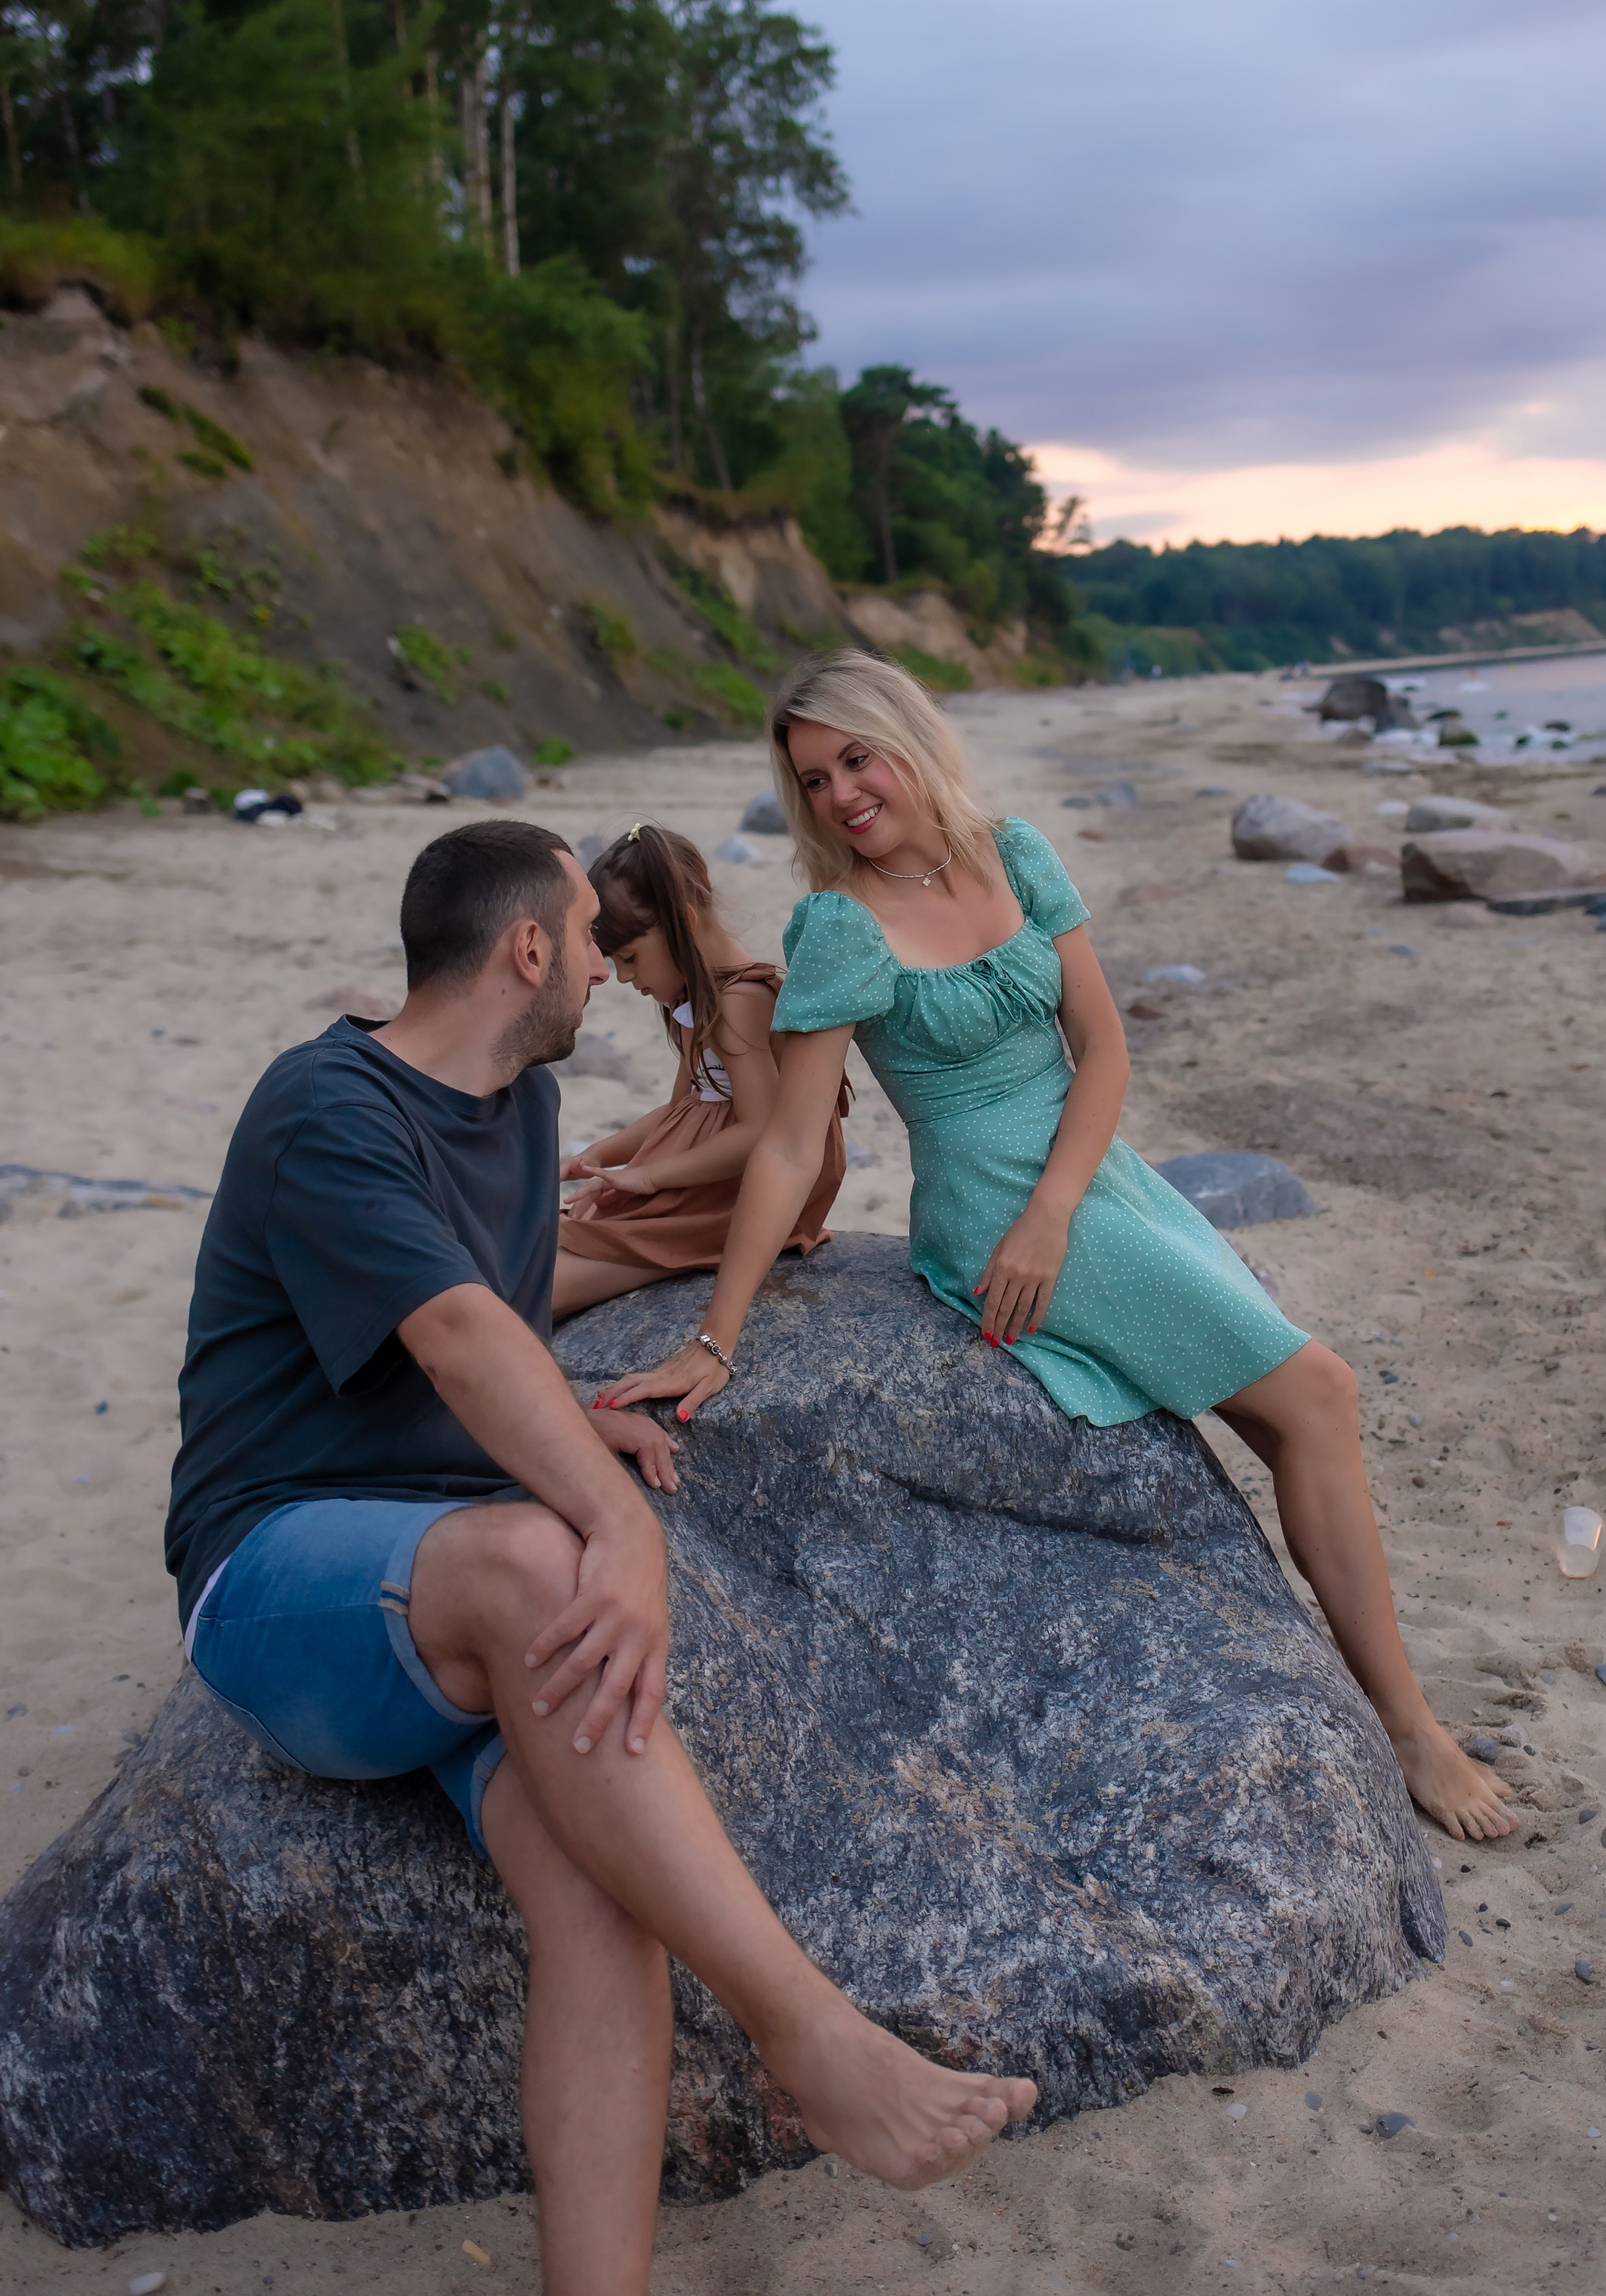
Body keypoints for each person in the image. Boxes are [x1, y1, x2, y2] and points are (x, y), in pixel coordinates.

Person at [164, 817, 1035, 2296]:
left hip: (445, 1590)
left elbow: (478, 1334)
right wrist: (611, 1518)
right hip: (280, 1581)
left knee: (602, 1901)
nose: (598, 969)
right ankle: (804, 2031)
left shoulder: (515, 1111)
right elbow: (448, 1333)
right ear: (522, 951)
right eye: (582, 939)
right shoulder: (329, 1104)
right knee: (540, 1559)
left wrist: (574, 1414)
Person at [597, 656, 1518, 1848]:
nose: (838, 796)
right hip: (984, 1200)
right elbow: (784, 1147)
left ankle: (1387, 1706)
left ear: (907, 739)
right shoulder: (838, 925)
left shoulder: (1015, 852)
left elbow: (1105, 1051)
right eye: (812, 779)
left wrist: (1061, 1207)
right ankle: (1408, 1728)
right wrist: (717, 1338)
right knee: (1319, 1391)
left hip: (1090, 1185)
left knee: (1297, 1408)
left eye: (855, 759)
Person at [553, 823, 845, 1325]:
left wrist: (647, 1175)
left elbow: (761, 1129)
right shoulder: (700, 999)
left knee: (546, 1282)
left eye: (629, 957)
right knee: (554, 1236)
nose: (624, 977)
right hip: (694, 1181)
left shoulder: (741, 1002)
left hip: (731, 1194)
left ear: (683, 923)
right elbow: (682, 1107)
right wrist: (603, 1154)